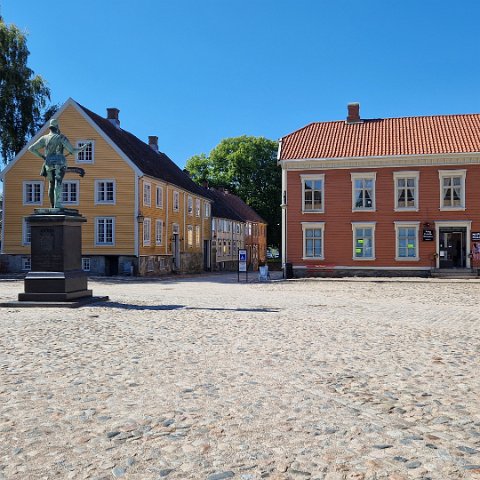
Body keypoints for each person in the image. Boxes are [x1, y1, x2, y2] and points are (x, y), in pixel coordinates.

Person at [28, 118, 88, 208]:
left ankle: (52, 206)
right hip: (60, 162)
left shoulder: (44, 138)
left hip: (48, 163)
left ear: (50, 128)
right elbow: (72, 150)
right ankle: (57, 204)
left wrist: (43, 157)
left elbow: (31, 148)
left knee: (51, 184)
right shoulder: (61, 137)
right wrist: (82, 148)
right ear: (57, 127)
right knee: (58, 181)